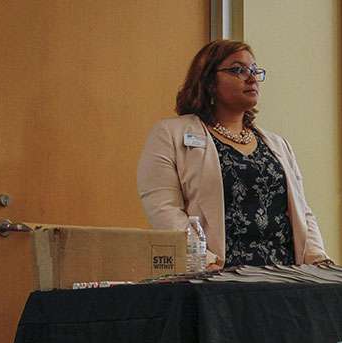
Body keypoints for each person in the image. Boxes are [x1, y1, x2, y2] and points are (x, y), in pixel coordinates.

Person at [137, 40, 330, 269]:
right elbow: (164, 210)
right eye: (238, 70)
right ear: (208, 81)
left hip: (284, 279)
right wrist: (205, 261)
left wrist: (320, 262)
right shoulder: (170, 134)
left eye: (255, 71)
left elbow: (303, 212)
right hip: (218, 278)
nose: (251, 78)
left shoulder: (279, 145)